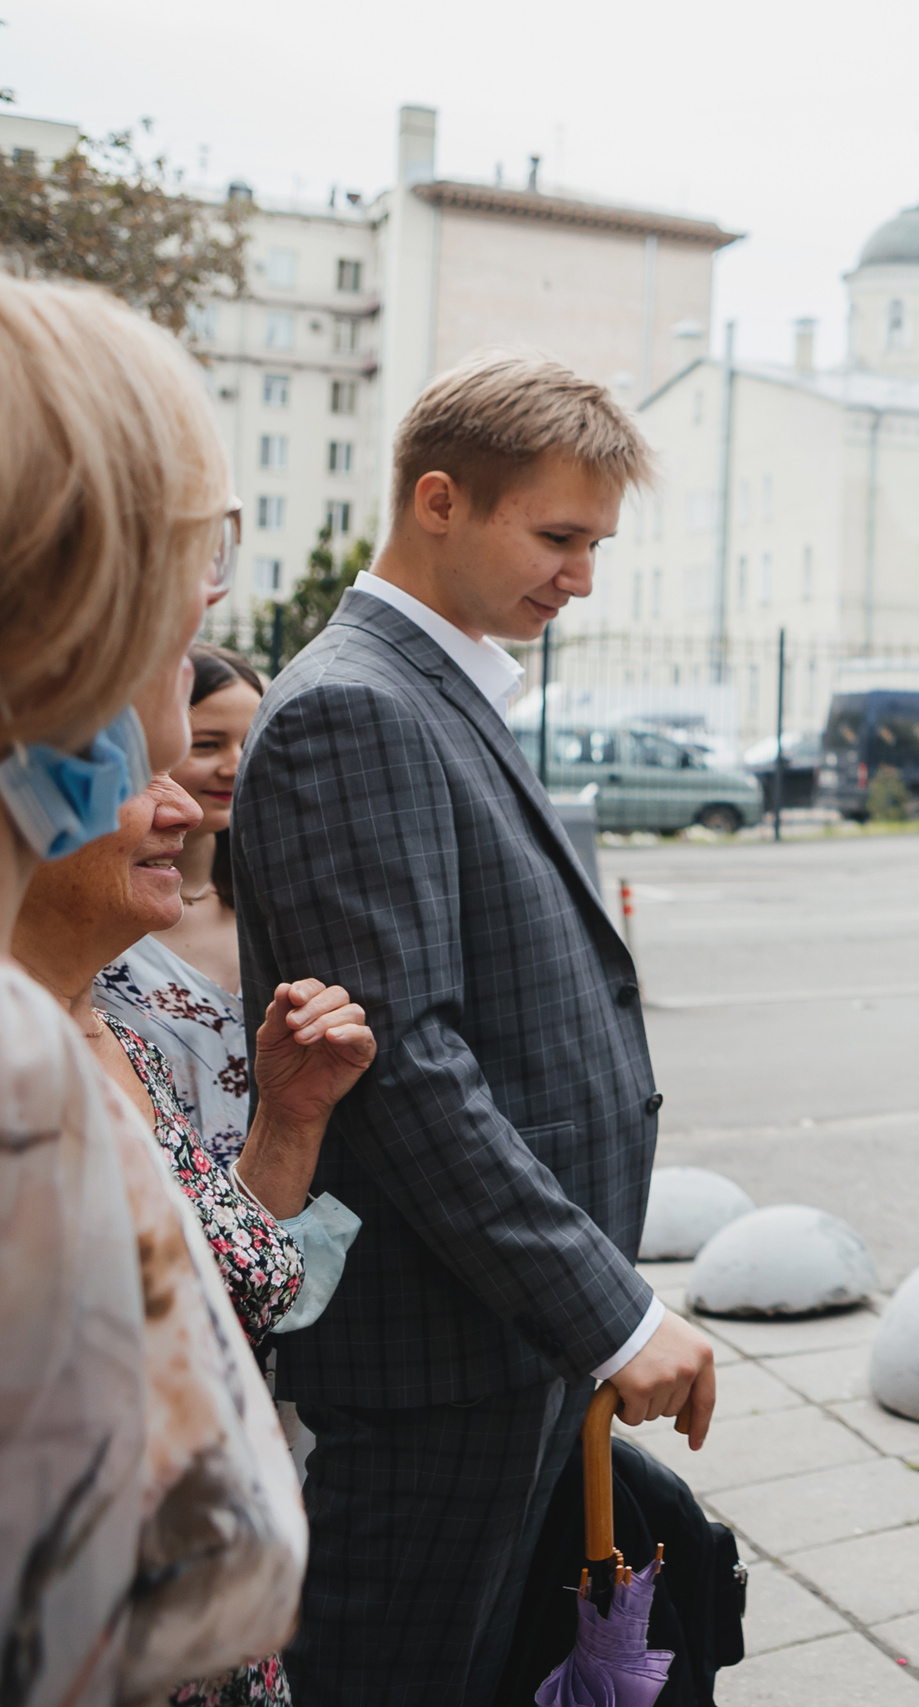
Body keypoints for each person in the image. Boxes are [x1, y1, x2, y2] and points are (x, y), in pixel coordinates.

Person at [229, 352, 718, 1703]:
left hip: (500, 1341)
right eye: (559, 536)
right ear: (439, 499)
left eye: (597, 543)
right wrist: (614, 1315)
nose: (582, 576)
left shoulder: (436, 685)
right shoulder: (352, 706)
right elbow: (408, 1073)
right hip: (442, 1360)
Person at [0, 276, 306, 1706]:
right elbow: (207, 1570)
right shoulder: (22, 1063)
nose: (186, 721)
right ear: (66, 642)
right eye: (181, 607)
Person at [12, 771, 377, 1706]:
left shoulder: (111, 1034)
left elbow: (225, 1285)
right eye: (137, 775)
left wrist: (288, 1121)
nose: (184, 809)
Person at [93, 644, 266, 1165]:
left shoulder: (270, 905)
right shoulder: (97, 925)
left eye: (252, 742)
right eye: (207, 744)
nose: (236, 765)